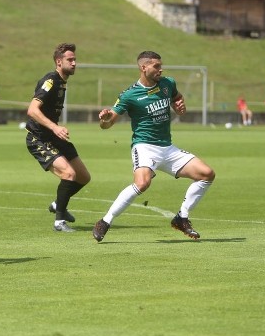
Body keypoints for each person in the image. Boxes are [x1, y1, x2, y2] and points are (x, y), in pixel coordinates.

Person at [92, 51, 215, 242]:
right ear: (144, 67)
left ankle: (182, 218)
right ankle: (105, 221)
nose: (161, 69)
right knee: (142, 183)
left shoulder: (168, 83)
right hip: (144, 146)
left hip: (167, 147)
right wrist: (105, 120)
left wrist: (179, 107)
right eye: (156, 66)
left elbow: (177, 98)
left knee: (207, 174)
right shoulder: (129, 95)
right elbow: (107, 124)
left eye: (161, 65)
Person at [25, 42, 91, 232]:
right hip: (38, 138)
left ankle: (57, 205)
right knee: (69, 174)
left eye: (75, 59)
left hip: (53, 137)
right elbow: (32, 110)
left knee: (83, 177)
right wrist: (55, 127)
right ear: (58, 61)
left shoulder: (62, 81)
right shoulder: (51, 80)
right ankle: (59, 222)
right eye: (70, 60)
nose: (74, 63)